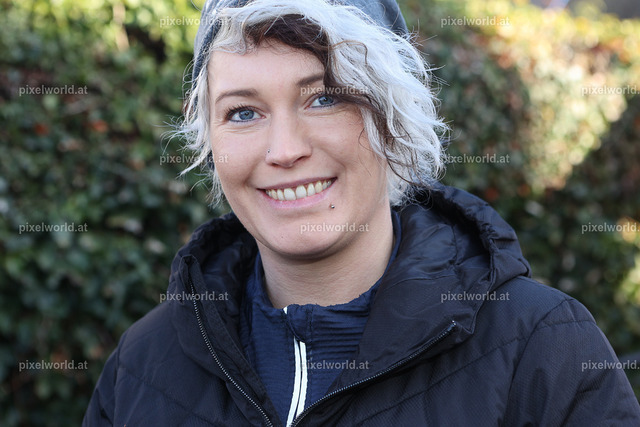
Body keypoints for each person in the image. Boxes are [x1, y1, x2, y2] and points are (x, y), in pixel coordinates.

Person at [83, 0, 640, 425]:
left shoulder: (541, 348)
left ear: (396, 121)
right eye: (244, 112)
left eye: (325, 98)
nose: (284, 150)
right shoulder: (141, 367)